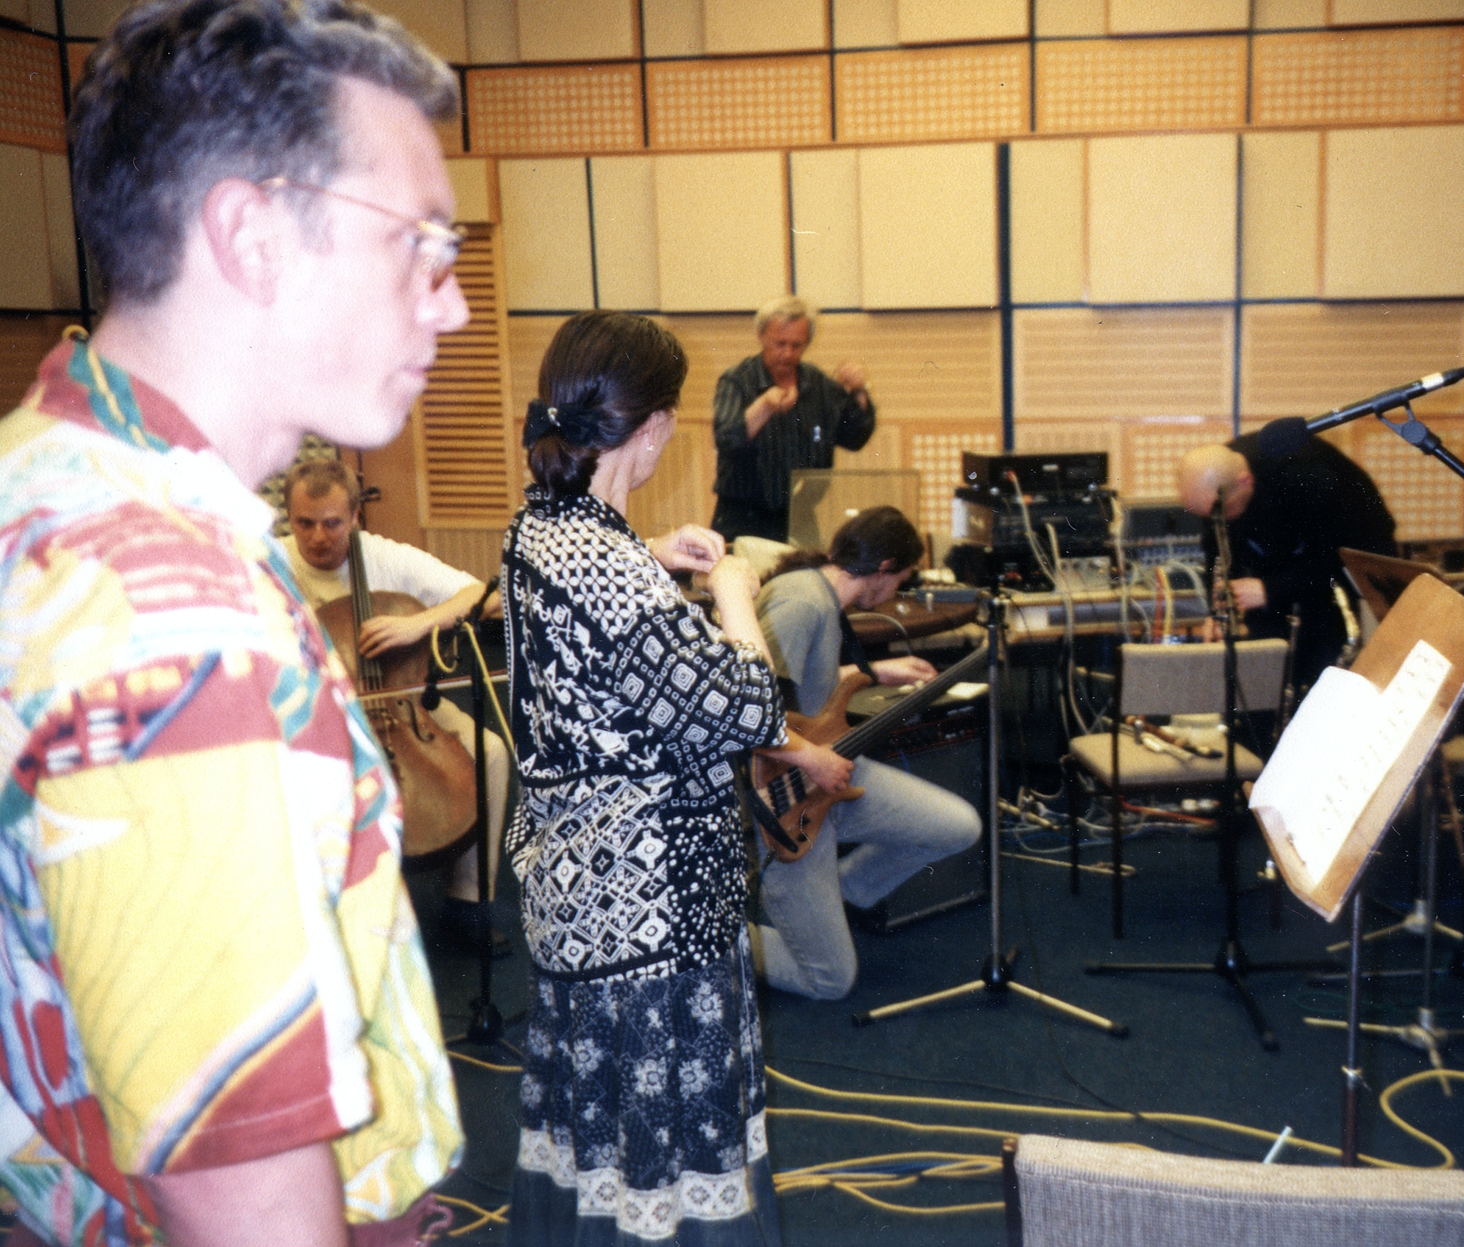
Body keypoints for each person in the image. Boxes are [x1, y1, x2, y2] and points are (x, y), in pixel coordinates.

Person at [0, 1, 468, 1243]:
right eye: (420, 243)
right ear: (252, 234)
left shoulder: (44, 477)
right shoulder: (170, 615)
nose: (453, 306)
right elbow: (244, 1188)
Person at [501, 310, 846, 1244]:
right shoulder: (612, 570)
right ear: (652, 428)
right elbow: (749, 708)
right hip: (653, 912)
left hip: (578, 900)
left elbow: (590, 604)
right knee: (670, 1150)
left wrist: (652, 553)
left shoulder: (539, 528)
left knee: (600, 1138)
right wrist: (734, 596)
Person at [751, 506, 983, 1001]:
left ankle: (837, 894)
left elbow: (796, 687)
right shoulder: (802, 601)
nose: (896, 591)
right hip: (784, 803)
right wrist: (814, 760)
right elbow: (749, 709)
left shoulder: (821, 595)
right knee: (829, 981)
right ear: (884, 568)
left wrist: (875, 672)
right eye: (901, 578)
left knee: (958, 827)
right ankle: (715, 942)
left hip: (828, 774)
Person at [281, 457, 511, 957]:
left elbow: (483, 597)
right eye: (304, 523)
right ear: (289, 518)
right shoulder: (270, 564)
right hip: (315, 711)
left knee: (490, 752)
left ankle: (469, 899)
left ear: (355, 516)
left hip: (398, 700)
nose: (317, 538)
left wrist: (419, 623)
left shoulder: (384, 557)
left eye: (332, 523)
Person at [1177, 435, 1398, 688]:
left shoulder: (1308, 476)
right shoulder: (1218, 483)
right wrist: (1216, 611)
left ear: (1245, 481)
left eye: (1220, 512)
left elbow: (1335, 561)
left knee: (1319, 661)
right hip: (1291, 550)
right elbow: (1215, 548)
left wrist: (1270, 589)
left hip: (1353, 545)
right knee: (1264, 665)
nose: (1216, 522)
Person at [709, 295, 876, 543]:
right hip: (742, 517)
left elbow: (855, 438)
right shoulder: (737, 381)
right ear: (762, 336)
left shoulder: (817, 384)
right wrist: (764, 406)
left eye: (797, 346)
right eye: (780, 343)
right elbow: (726, 439)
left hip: (800, 517)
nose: (787, 353)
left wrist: (859, 392)